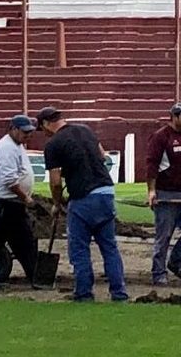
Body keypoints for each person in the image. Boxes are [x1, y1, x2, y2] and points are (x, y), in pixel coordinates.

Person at [37, 106, 128, 302]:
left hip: (82, 198)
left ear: (46, 124)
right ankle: (119, 293)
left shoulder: (53, 145)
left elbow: (54, 181)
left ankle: (84, 293)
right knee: (109, 247)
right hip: (106, 192)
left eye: (42, 129)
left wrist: (57, 202)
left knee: (79, 248)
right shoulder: (85, 130)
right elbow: (102, 156)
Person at [145, 102, 181, 286]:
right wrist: (152, 191)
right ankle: (158, 273)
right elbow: (151, 166)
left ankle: (176, 261)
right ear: (174, 117)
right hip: (166, 194)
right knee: (164, 236)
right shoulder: (160, 137)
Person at [0, 115, 38, 290]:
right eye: (25, 132)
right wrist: (25, 198)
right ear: (13, 129)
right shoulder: (7, 148)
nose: (28, 136)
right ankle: (35, 277)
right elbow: (9, 180)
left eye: (30, 132)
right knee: (21, 241)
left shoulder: (15, 145)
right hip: (7, 203)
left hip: (9, 203)